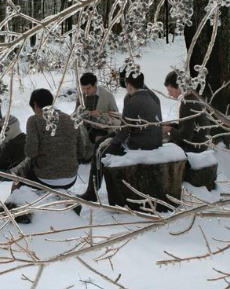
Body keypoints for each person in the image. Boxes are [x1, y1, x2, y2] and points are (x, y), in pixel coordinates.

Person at [80, 71, 164, 201]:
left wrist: (112, 141)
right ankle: (93, 190)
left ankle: (92, 192)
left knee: (100, 150)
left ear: (129, 85)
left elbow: (124, 131)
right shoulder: (153, 96)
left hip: (138, 144)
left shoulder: (133, 101)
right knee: (102, 142)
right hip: (154, 140)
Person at [16, 89, 85, 190]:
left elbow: (31, 152)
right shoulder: (71, 119)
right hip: (71, 177)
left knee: (18, 178)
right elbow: (81, 152)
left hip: (45, 178)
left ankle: (14, 203)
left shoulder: (34, 120)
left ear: (35, 104)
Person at [162, 70, 209, 153]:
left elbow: (186, 136)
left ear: (180, 87)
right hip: (200, 145)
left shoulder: (188, 103)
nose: (169, 94)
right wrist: (172, 125)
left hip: (194, 149)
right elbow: (188, 128)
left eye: (171, 90)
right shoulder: (193, 97)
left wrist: (169, 129)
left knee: (161, 147)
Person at [76, 72, 120, 159]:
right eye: (83, 88)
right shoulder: (81, 96)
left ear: (95, 85)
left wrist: (101, 114)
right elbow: (76, 113)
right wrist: (85, 114)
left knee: (99, 139)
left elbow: (116, 116)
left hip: (102, 127)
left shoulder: (107, 96)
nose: (85, 91)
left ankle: (99, 158)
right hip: (85, 126)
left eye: (88, 88)